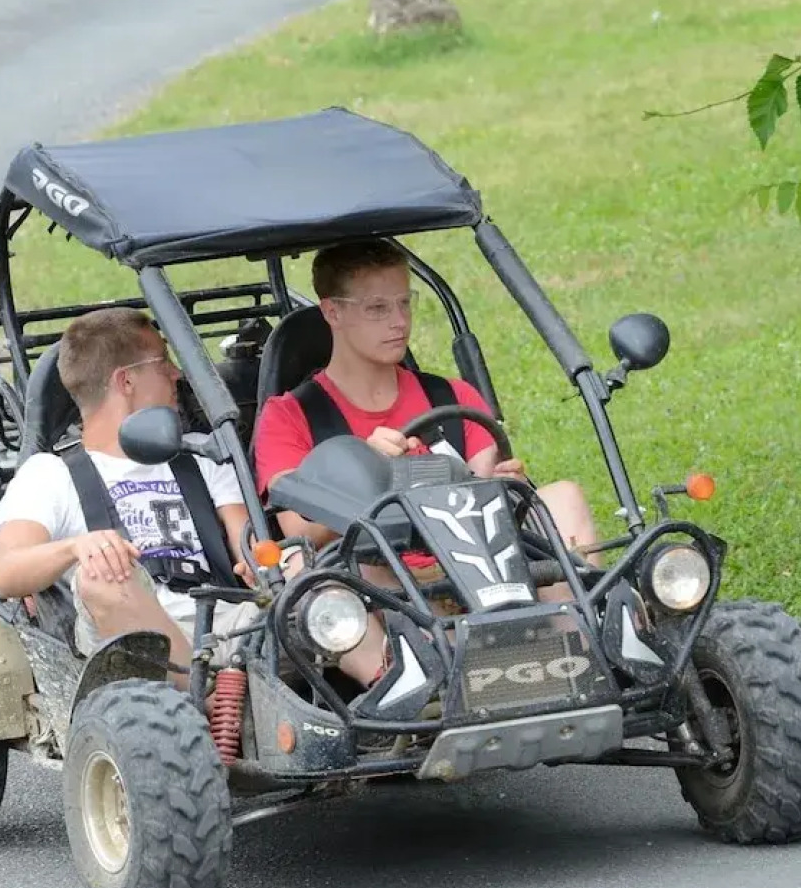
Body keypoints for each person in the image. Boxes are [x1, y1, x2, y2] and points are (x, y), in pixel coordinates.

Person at [252, 238, 604, 683]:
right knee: (302, 564)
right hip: (379, 584)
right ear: (332, 312)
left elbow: (489, 494)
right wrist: (360, 471)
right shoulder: (291, 415)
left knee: (563, 497)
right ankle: (402, 685)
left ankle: (578, 646)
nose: (399, 322)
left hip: (479, 570)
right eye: (378, 309)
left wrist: (506, 485)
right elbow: (298, 531)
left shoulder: (452, 398)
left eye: (404, 303)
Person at [0, 307, 256, 683]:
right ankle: (205, 698)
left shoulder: (200, 453)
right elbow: (7, 573)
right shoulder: (50, 474)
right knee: (101, 574)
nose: (176, 374)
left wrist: (265, 562)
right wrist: (77, 548)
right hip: (131, 643)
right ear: (126, 381)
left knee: (305, 565)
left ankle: (366, 700)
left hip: (227, 620)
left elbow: (248, 539)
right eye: (163, 363)